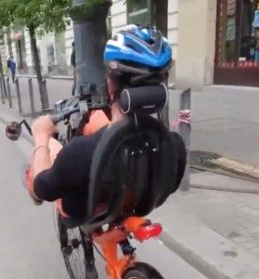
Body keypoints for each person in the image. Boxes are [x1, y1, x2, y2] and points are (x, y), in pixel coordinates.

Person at [25, 26, 176, 220]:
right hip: (134, 201)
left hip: (85, 210)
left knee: (51, 147)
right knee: (97, 121)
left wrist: (41, 135)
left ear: (111, 84)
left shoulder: (78, 153)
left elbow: (43, 189)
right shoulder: (172, 144)